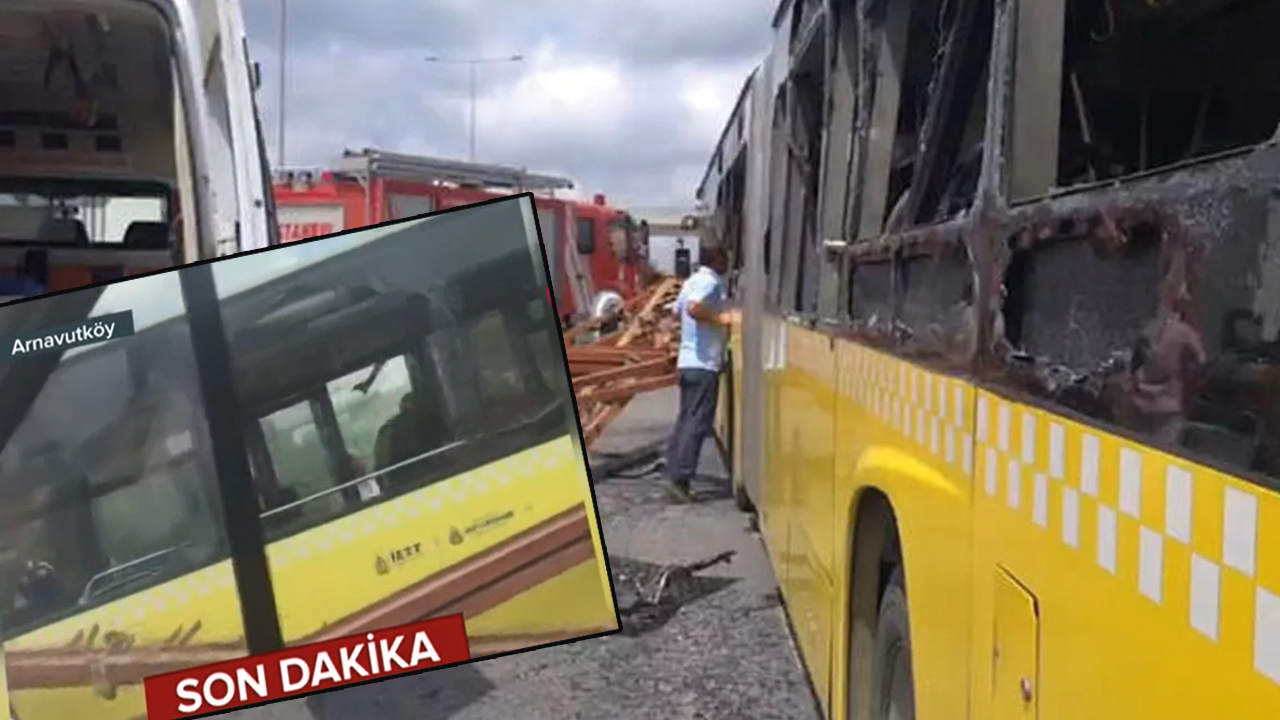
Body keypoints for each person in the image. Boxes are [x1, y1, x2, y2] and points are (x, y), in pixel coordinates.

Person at [664, 245, 734, 502]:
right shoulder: (710, 282)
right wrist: (721, 320)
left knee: (685, 419)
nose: (728, 262)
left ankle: (673, 471)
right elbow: (693, 308)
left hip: (687, 362)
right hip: (704, 364)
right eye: (725, 257)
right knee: (697, 423)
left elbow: (676, 311)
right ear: (716, 258)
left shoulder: (691, 281)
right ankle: (680, 479)